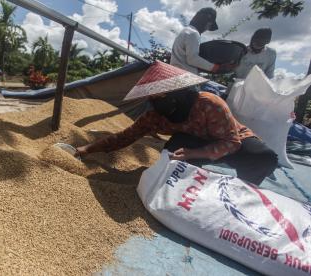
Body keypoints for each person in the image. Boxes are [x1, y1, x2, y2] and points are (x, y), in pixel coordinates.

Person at [75, 62, 278, 185]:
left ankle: (243, 189)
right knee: (173, 149)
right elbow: (124, 137)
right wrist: (88, 148)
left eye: (159, 99)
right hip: (194, 144)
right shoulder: (155, 116)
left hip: (233, 142)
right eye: (152, 101)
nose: (155, 105)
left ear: (178, 96)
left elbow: (232, 142)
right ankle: (183, 186)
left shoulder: (209, 103)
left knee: (264, 158)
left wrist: (193, 154)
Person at [171, 7, 235, 75]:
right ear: (205, 21)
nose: (207, 28)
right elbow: (192, 59)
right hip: (183, 78)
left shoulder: (185, 31)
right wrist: (217, 68)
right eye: (209, 24)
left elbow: (184, 60)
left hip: (175, 73)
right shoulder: (193, 33)